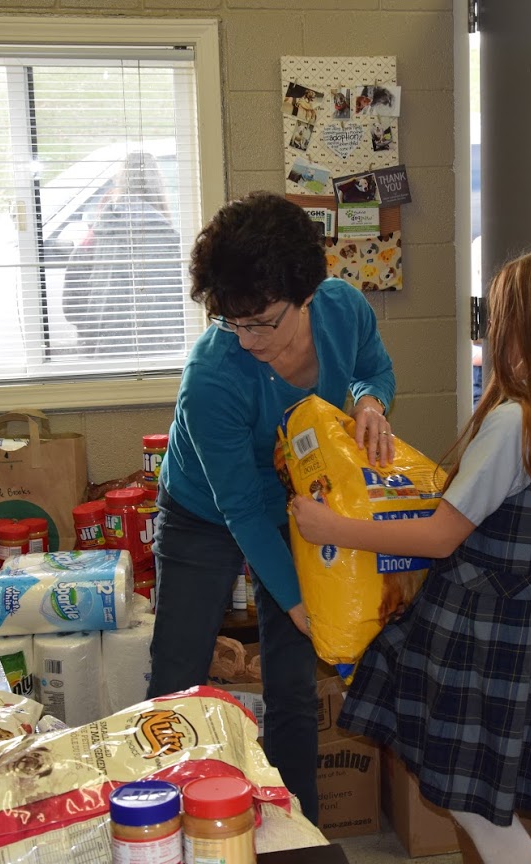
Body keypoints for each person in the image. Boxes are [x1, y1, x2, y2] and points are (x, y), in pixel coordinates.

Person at [291, 241, 531, 864]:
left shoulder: (514, 423)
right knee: (487, 794)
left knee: (476, 804)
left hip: (482, 636)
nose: (494, 330)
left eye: (502, 318)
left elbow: (437, 537)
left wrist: (331, 528)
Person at [145, 191, 396, 825]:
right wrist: (296, 602)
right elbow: (242, 509)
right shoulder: (213, 375)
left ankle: (296, 834)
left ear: (306, 292)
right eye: (234, 321)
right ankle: (155, 828)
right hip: (206, 510)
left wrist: (369, 401)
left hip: (295, 506)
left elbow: (373, 367)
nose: (250, 338)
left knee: (291, 686)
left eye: (264, 321)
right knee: (177, 675)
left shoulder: (343, 309)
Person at [63, 152, 183, 357]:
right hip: (163, 357)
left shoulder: (95, 238)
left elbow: (71, 305)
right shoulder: (172, 242)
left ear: (120, 182)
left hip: (105, 356)